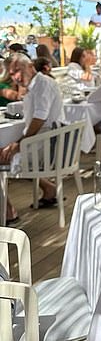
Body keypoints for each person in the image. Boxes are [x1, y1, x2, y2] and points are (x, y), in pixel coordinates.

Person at [0, 53, 63, 220]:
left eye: (17, 71)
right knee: (7, 150)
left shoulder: (42, 84)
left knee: (3, 154)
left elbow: (39, 119)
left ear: (30, 66)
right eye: (12, 74)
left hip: (49, 146)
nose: (16, 77)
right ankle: (48, 188)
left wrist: (18, 144)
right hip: (49, 142)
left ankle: (7, 211)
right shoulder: (35, 85)